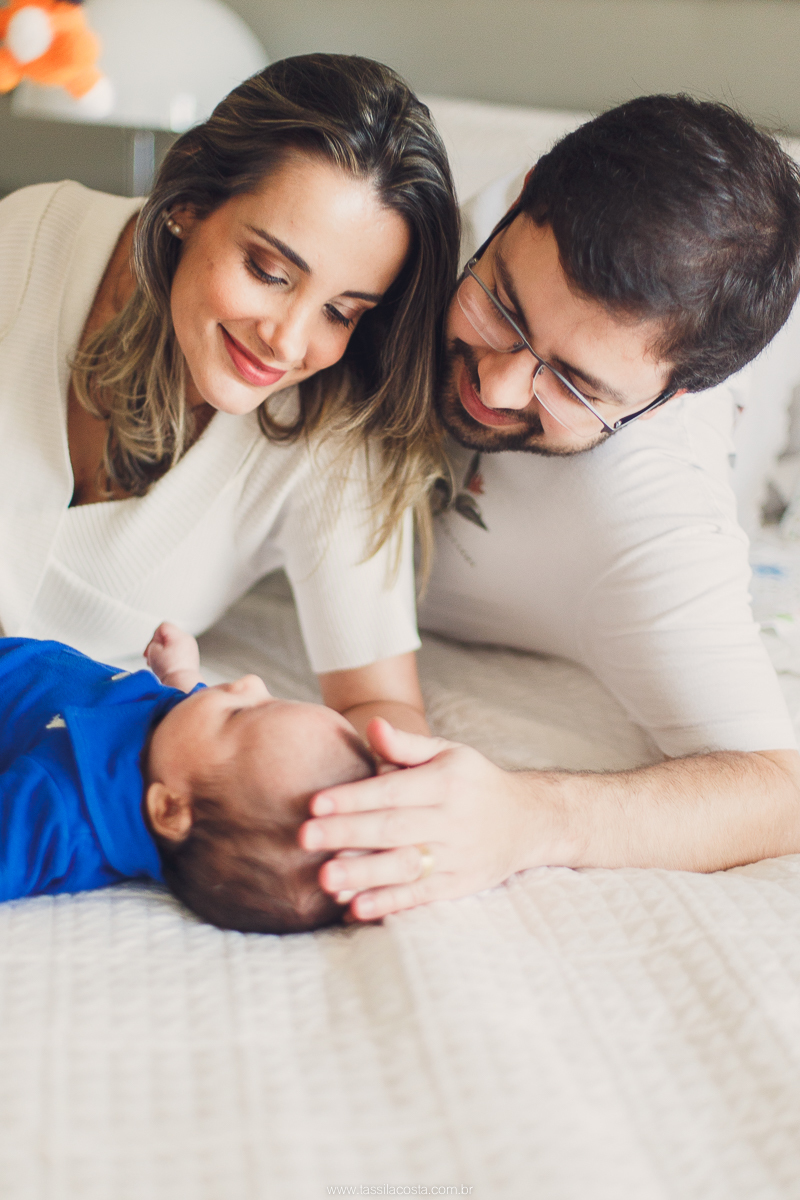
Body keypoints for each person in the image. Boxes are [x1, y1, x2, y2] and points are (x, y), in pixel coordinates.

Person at [300, 94, 800, 918]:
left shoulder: (655, 515)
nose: (496, 385)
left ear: (671, 397)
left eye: (573, 383)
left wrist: (528, 817)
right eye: (502, 307)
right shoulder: (423, 230)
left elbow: (777, 791)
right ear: (519, 198)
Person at [0, 54, 460, 742]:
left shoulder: (330, 434)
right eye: (269, 271)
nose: (286, 341)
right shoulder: (34, 235)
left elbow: (380, 708)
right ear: (188, 203)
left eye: (341, 312)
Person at [0, 622, 375, 933]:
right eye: (272, 698)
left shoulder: (61, 812)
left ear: (168, 810)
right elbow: (190, 724)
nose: (251, 682)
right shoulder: (178, 752)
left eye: (238, 715)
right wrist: (181, 674)